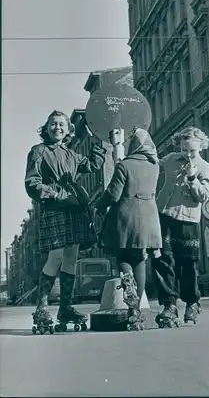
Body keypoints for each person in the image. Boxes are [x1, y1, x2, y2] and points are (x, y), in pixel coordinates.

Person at [25, 110, 106, 331]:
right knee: (57, 255)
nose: (57, 127)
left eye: (62, 124)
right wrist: (55, 193)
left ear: (69, 129)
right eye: (53, 124)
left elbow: (92, 165)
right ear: (46, 128)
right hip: (56, 208)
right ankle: (42, 307)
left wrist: (100, 140)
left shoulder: (70, 154)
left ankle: (65, 308)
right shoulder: (39, 151)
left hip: (77, 210)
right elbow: (32, 182)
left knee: (71, 256)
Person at [95, 128, 162, 330]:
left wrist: (99, 205)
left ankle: (130, 298)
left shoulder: (124, 165)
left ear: (134, 146)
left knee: (123, 258)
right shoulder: (155, 165)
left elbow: (113, 194)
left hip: (126, 218)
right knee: (140, 260)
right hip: (149, 219)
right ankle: (136, 309)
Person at [153, 126, 209, 327]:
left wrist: (192, 178)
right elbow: (152, 163)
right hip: (164, 215)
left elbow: (203, 196)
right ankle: (169, 304)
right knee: (163, 260)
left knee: (188, 263)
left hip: (188, 219)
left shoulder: (205, 167)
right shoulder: (170, 159)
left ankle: (192, 302)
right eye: (184, 149)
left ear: (201, 147)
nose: (187, 154)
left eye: (192, 151)